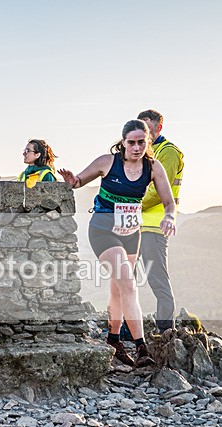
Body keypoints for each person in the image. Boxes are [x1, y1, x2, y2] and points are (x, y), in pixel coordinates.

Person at [59, 120, 176, 368]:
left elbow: (169, 202)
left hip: (131, 233)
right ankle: (141, 347)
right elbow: (79, 181)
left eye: (141, 142)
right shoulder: (107, 162)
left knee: (118, 287)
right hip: (103, 230)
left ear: (148, 142)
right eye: (131, 142)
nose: (136, 147)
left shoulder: (153, 168)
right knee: (129, 285)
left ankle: (113, 339)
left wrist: (169, 217)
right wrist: (72, 180)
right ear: (122, 142)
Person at [137, 109, 184, 333]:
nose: (145, 132)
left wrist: (127, 205)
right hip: (134, 226)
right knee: (126, 279)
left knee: (158, 281)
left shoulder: (169, 152)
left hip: (154, 227)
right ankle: (128, 331)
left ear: (159, 127)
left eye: (148, 126)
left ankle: (166, 333)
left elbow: (157, 191)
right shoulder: (143, 153)